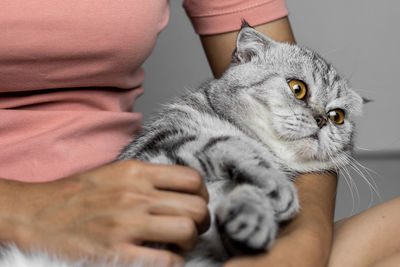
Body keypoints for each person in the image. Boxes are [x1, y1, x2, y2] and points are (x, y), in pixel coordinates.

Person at [0, 1, 398, 267]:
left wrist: (300, 246)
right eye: (299, 92)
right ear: (245, 61)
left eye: (335, 115)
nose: (318, 118)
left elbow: (286, 62)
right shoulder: (195, 123)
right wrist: (24, 211)